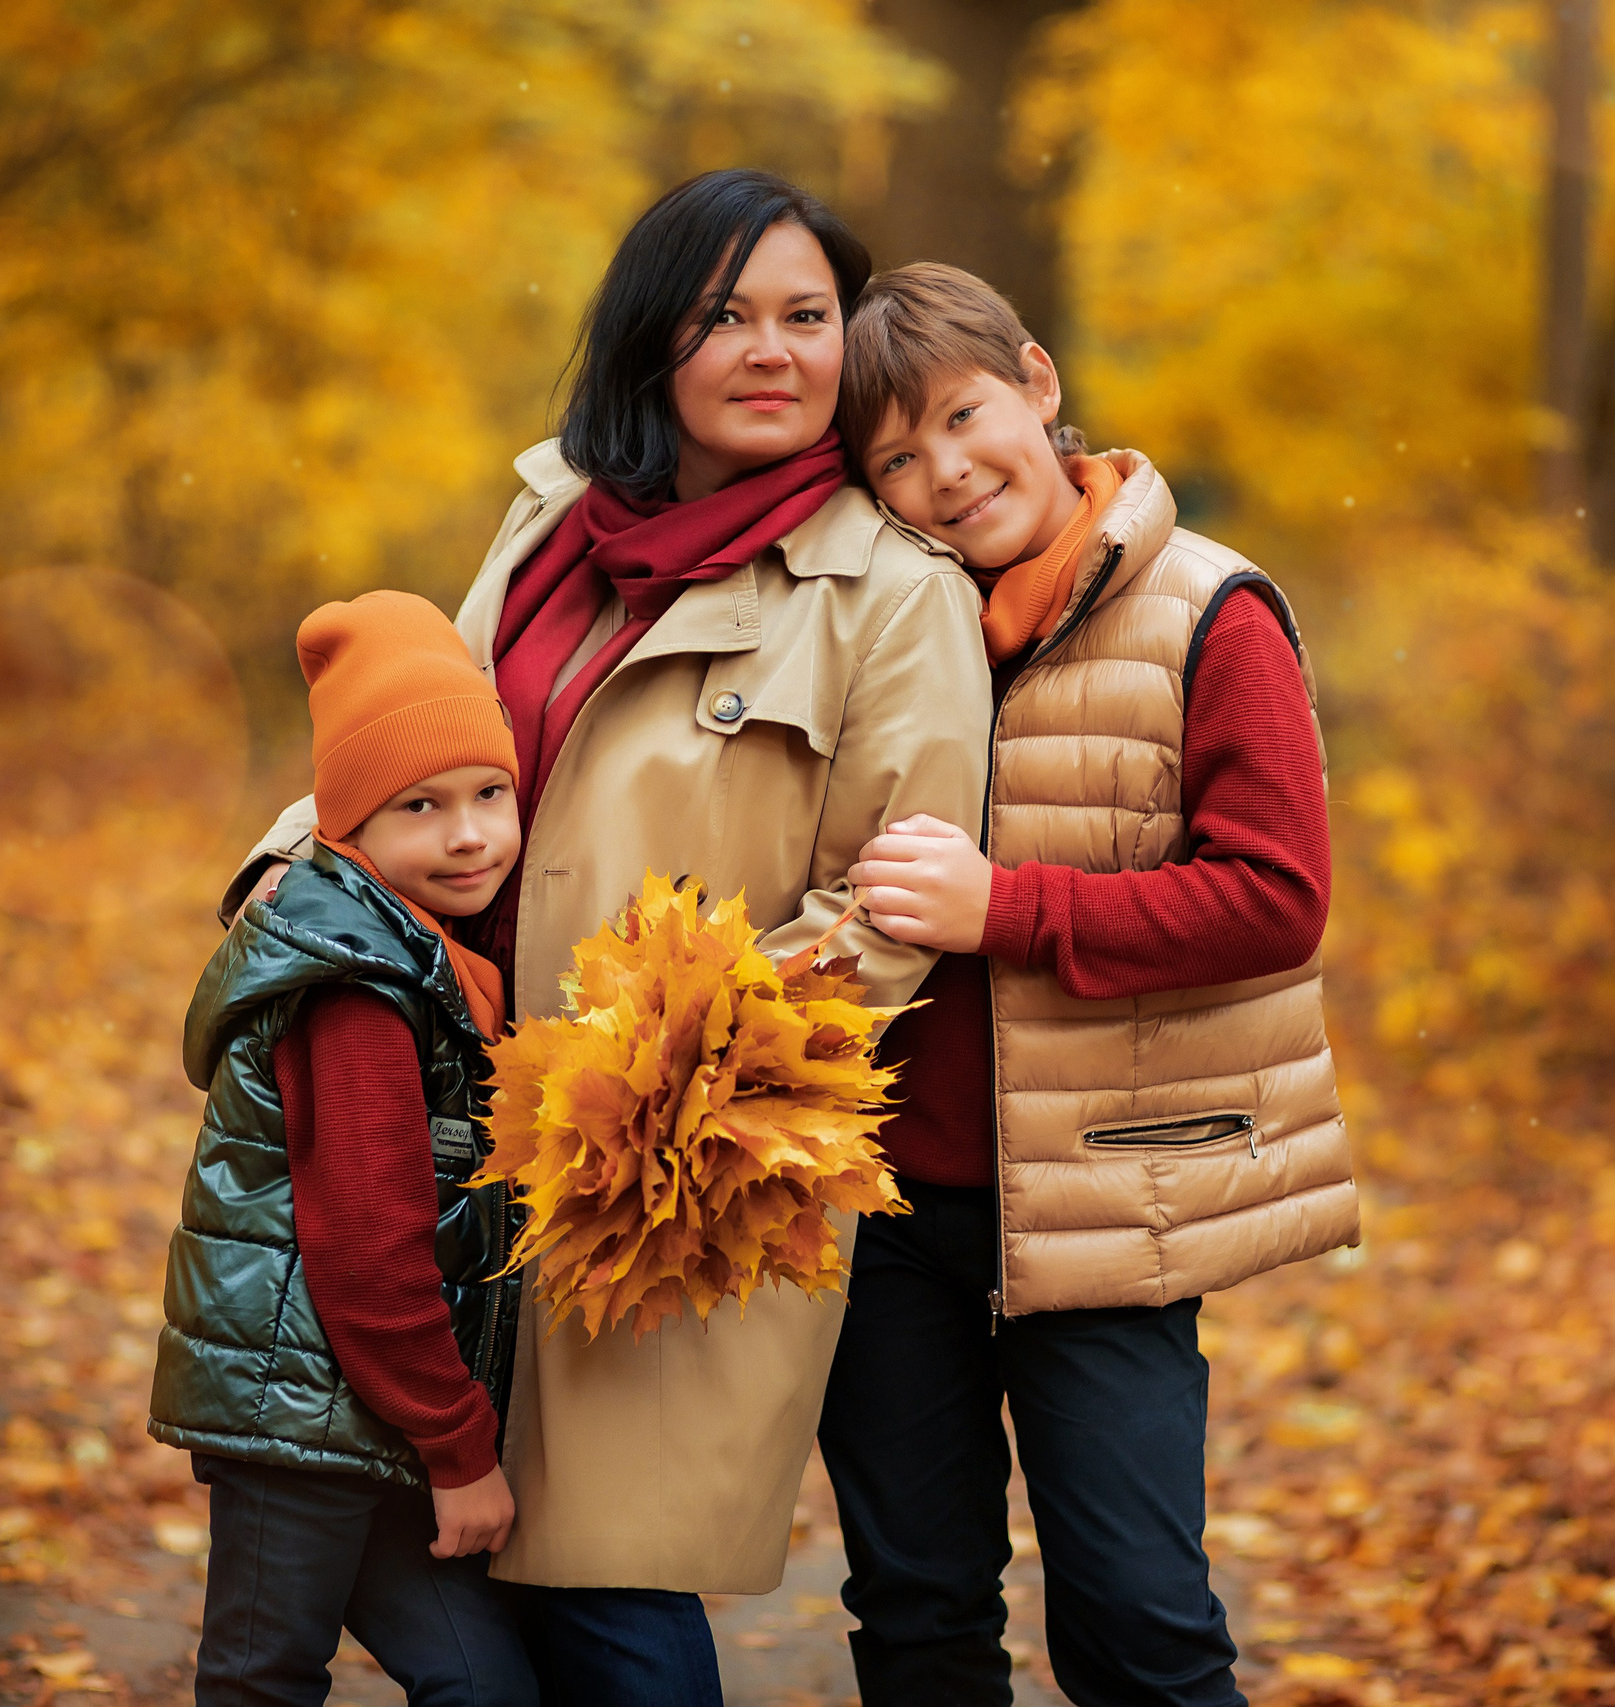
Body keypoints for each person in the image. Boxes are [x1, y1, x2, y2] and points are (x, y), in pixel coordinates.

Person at [224, 172, 989, 1706]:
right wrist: (281, 869)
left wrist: (655, 1103)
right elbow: (419, 744)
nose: (771, 350)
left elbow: (878, 922)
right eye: (725, 316)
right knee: (459, 1554)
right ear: (654, 341)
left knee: (609, 1586)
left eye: (805, 317)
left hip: (653, 1175)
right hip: (448, 1115)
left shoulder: (892, 600)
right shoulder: (559, 515)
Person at [824, 262, 1361, 1707]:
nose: (944, 469)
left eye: (962, 415)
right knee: (918, 1617)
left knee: (1138, 1627)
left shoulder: (1209, 610)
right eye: (895, 458)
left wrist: (1007, 907)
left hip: (1108, 1202)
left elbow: (1276, 898)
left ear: (1038, 383)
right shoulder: (884, 630)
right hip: (887, 1214)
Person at [150, 590, 535, 1706]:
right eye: (419, 805)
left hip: (367, 1409)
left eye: (489, 795)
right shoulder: (357, 988)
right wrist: (460, 1448)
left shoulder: (423, 952)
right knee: (264, 1679)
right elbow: (370, 1253)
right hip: (300, 1411)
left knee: (485, 1684)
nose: (467, 835)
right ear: (347, 827)